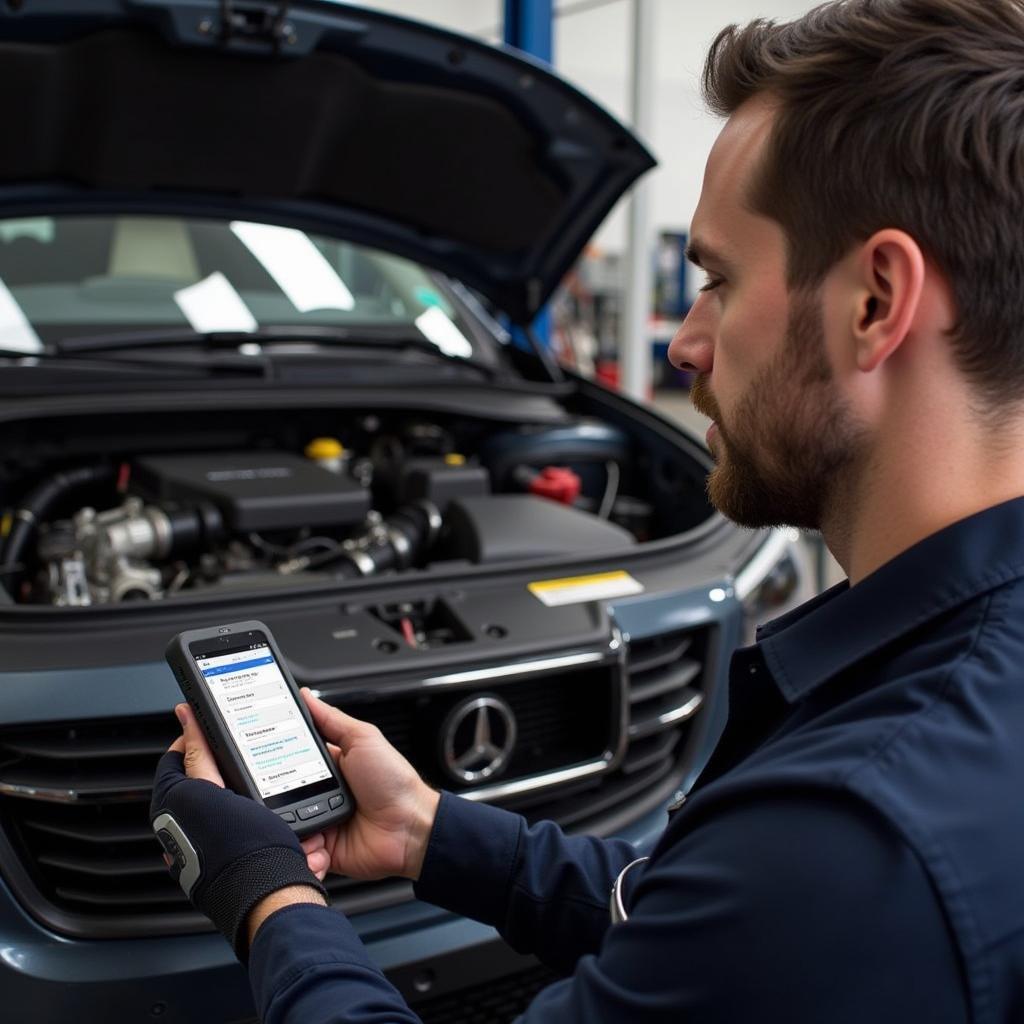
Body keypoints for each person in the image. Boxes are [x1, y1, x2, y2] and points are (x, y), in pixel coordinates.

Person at [151, 1, 1024, 1020]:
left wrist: (270, 898)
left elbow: (772, 905)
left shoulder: (847, 839)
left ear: (875, 302)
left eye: (716, 281)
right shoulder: (927, 733)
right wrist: (430, 830)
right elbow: (699, 926)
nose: (682, 346)